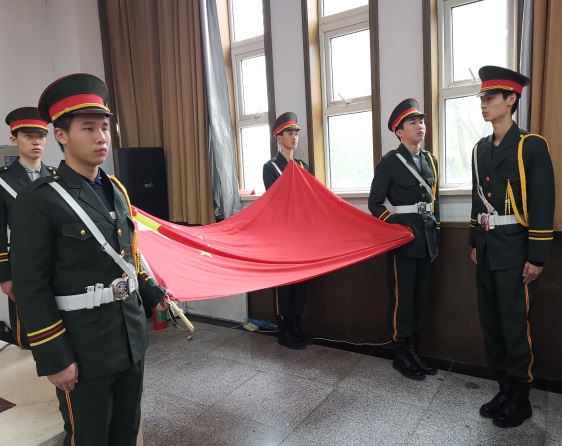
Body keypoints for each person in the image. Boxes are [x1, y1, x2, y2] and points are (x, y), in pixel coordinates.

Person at [10, 73, 172, 446]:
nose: (101, 137)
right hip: (82, 347)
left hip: (129, 338)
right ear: (61, 135)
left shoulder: (115, 189)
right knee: (89, 438)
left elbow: (127, 254)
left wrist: (149, 290)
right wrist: (55, 356)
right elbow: (31, 287)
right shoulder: (40, 199)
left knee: (126, 433)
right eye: (88, 128)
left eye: (104, 128)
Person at [469, 66, 555, 428]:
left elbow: (543, 200)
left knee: (515, 324)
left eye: (491, 97)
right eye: (482, 98)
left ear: (511, 99)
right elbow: (478, 199)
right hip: (488, 249)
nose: (484, 104)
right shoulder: (480, 148)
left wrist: (538, 256)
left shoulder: (530, 145)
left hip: (516, 251)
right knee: (491, 323)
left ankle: (521, 396)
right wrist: (474, 240)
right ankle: (503, 386)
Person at [368, 98, 440, 381]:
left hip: (426, 240)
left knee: (421, 299)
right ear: (399, 131)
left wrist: (435, 238)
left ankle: (413, 349)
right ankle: (400, 353)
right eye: (413, 122)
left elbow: (433, 203)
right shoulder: (390, 162)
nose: (420, 126)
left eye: (421, 121)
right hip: (404, 242)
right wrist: (395, 228)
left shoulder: (430, 160)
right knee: (403, 299)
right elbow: (375, 203)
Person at [1, 107, 55, 349]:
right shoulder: (3, 180)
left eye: (41, 136)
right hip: (23, 263)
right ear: (14, 140)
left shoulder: (56, 177)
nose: (36, 141)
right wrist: (4, 276)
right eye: (28, 136)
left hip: (58, 260)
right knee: (30, 332)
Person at [263, 111, 312, 350]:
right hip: (282, 234)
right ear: (278, 137)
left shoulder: (302, 166)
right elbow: (277, 200)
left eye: (295, 133)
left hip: (301, 233)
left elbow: (310, 197)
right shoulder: (271, 167)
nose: (294, 137)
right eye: (289, 133)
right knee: (284, 283)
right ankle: (284, 328)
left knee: (300, 282)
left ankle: (295, 324)